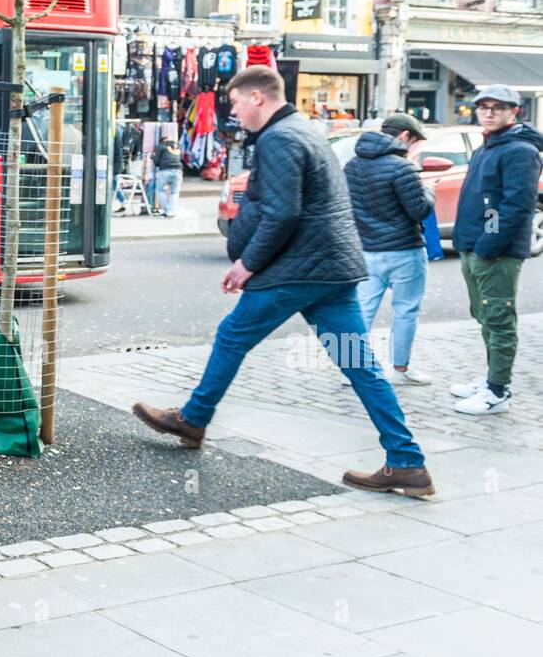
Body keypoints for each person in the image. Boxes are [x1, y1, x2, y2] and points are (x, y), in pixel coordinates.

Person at [131, 66, 435, 498]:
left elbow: (283, 212)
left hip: (298, 268)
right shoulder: (303, 130)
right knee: (360, 365)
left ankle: (194, 418)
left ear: (258, 97)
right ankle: (407, 462)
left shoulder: (280, 139)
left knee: (232, 335)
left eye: (236, 102)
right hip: (331, 270)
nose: (233, 111)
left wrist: (247, 264)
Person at [448, 84, 543, 415]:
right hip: (473, 246)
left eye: (497, 107)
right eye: (483, 107)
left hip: (495, 251)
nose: (488, 112)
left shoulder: (519, 150)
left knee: (499, 318)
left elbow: (516, 205)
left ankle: (498, 392)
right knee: (485, 315)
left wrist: (489, 242)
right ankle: (491, 379)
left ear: (514, 111)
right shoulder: (488, 146)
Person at [344, 113, 435, 385]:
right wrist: (428, 190)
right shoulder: (402, 167)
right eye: (416, 141)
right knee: (406, 309)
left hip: (367, 249)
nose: (415, 148)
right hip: (404, 250)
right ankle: (400, 369)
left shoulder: (352, 165)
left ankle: (353, 370)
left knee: (361, 309)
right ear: (405, 136)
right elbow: (419, 209)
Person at [151, 134, 183, 217]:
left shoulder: (160, 146)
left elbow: (156, 161)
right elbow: (181, 158)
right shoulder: (178, 146)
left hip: (164, 170)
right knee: (174, 192)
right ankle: (171, 211)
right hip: (178, 171)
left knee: (159, 191)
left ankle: (167, 209)